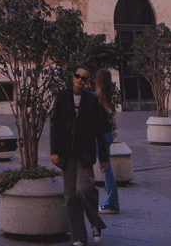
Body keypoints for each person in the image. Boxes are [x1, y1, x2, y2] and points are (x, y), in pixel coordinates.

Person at [49, 63, 110, 246]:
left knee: (85, 189)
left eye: (84, 78)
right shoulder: (62, 96)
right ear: (73, 77)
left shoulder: (92, 99)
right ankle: (79, 237)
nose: (80, 80)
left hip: (85, 152)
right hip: (66, 152)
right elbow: (54, 125)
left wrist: (104, 158)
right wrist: (54, 151)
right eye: (77, 76)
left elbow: (99, 130)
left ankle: (95, 224)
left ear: (87, 81)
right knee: (70, 195)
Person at [94, 68, 120, 215]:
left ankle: (112, 203)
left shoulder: (99, 98)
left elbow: (99, 123)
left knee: (106, 169)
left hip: (102, 135)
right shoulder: (107, 96)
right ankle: (111, 202)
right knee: (106, 169)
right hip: (108, 134)